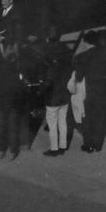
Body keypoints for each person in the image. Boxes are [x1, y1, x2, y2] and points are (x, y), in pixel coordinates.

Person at [0, 42, 25, 160]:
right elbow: (20, 87)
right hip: (13, 103)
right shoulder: (17, 69)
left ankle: (1, 150)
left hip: (2, 102)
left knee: (1, 128)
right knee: (12, 128)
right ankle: (12, 151)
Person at [41, 28, 73, 156]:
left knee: (52, 123)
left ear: (48, 38)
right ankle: (63, 146)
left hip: (53, 96)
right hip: (64, 94)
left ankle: (54, 149)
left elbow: (48, 79)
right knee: (62, 121)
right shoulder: (66, 50)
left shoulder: (48, 55)